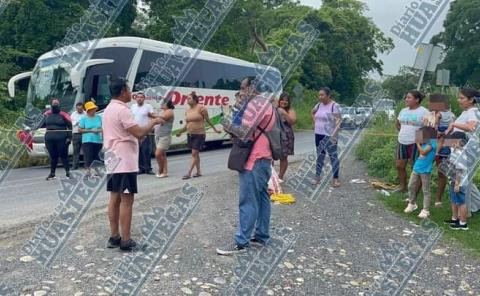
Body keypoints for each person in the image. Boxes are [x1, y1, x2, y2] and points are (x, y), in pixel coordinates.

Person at [103, 78, 164, 251]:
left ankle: (115, 236)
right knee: (127, 200)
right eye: (129, 90)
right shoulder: (123, 110)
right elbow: (138, 132)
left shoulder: (108, 109)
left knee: (114, 197)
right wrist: (153, 121)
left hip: (112, 158)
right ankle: (126, 241)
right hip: (124, 160)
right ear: (123, 91)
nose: (132, 93)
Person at [216, 76, 275, 255]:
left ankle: (241, 242)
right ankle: (262, 235)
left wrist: (226, 124)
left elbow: (244, 132)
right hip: (265, 158)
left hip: (254, 159)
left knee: (248, 200)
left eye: (243, 88)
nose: (241, 92)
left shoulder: (255, 104)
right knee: (263, 198)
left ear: (252, 88)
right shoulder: (268, 104)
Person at [176, 91, 221, 179]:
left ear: (195, 100)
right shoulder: (187, 110)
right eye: (187, 99)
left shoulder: (201, 108)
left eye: (189, 99)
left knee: (194, 153)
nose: (187, 100)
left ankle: (188, 173)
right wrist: (180, 132)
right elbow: (187, 124)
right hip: (190, 134)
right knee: (196, 154)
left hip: (199, 134)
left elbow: (208, 120)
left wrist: (215, 130)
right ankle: (199, 172)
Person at [395, 90, 429, 193]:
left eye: (409, 98)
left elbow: (431, 127)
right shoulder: (403, 111)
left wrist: (420, 139)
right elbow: (397, 123)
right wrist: (403, 132)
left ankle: (413, 192)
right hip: (402, 141)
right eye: (406, 97)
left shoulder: (424, 111)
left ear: (417, 100)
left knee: (416, 168)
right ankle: (402, 187)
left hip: (416, 143)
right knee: (399, 166)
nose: (406, 99)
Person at [403, 127, 437, 219]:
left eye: (423, 135)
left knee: (426, 190)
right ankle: (412, 203)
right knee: (411, 186)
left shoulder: (432, 143)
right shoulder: (425, 142)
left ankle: (425, 210)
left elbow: (423, 152)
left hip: (425, 170)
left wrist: (417, 143)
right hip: (416, 168)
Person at [311, 87, 342, 187]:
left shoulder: (334, 105)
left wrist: (334, 132)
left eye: (322, 95)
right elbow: (312, 112)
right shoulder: (319, 105)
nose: (320, 97)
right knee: (320, 156)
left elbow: (338, 120)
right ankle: (317, 177)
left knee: (333, 156)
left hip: (330, 135)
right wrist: (315, 122)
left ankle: (336, 179)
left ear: (328, 96)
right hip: (318, 134)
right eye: (319, 95)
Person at [429, 94, 456, 207]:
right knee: (421, 170)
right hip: (428, 142)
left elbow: (452, 129)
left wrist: (443, 135)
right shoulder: (429, 114)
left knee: (441, 172)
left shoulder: (447, 115)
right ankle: (413, 196)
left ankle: (438, 199)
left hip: (444, 142)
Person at [442, 131, 470, 230]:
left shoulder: (460, 153)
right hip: (453, 180)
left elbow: (459, 170)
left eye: (453, 140)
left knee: (461, 202)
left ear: (459, 141)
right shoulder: (454, 151)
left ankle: (463, 223)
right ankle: (454, 219)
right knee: (454, 200)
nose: (451, 142)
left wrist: (457, 184)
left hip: (459, 182)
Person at [44, 99, 72, 180]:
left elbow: (70, 126)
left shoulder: (64, 114)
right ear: (51, 105)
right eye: (53, 103)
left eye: (56, 103)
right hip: (49, 138)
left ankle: (68, 172)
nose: (55, 105)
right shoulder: (47, 114)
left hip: (62, 138)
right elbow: (40, 124)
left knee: (64, 156)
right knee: (53, 156)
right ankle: (52, 173)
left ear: (59, 104)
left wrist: (69, 138)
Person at [131, 92, 156, 175]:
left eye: (141, 97)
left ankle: (148, 169)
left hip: (145, 131)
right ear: (136, 98)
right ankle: (140, 168)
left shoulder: (148, 106)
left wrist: (153, 125)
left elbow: (152, 116)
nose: (139, 98)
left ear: (144, 98)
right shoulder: (133, 107)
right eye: (138, 97)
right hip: (135, 131)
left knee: (146, 150)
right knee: (137, 151)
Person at [79, 101, 103, 177]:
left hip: (98, 140)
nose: (93, 110)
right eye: (92, 109)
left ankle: (97, 171)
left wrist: (99, 130)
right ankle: (88, 171)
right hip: (87, 140)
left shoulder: (99, 117)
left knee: (96, 156)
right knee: (88, 156)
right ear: (88, 110)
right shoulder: (83, 118)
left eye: (94, 109)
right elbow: (80, 130)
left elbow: (102, 127)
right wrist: (91, 130)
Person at [277, 92, 297, 182]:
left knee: (283, 157)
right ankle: (272, 176)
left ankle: (280, 177)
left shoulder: (290, 110)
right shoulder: (275, 109)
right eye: (282, 100)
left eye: (286, 101)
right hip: (275, 135)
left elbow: (292, 122)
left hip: (286, 135)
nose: (284, 102)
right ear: (279, 100)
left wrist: (284, 113)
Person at [154, 98, 175, 178]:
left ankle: (160, 169)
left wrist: (151, 114)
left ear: (167, 105)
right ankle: (165, 172)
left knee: (158, 154)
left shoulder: (169, 111)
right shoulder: (163, 112)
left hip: (164, 136)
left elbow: (162, 118)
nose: (161, 104)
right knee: (162, 155)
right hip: (158, 136)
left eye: (163, 103)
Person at [71, 102, 85, 170]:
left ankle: (87, 165)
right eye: (78, 109)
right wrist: (81, 121)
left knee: (85, 151)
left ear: (83, 108)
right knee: (76, 151)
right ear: (76, 108)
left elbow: (86, 123)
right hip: (75, 134)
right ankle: (75, 166)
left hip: (84, 134)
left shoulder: (86, 113)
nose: (80, 110)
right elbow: (74, 123)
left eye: (81, 109)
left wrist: (79, 122)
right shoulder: (73, 114)